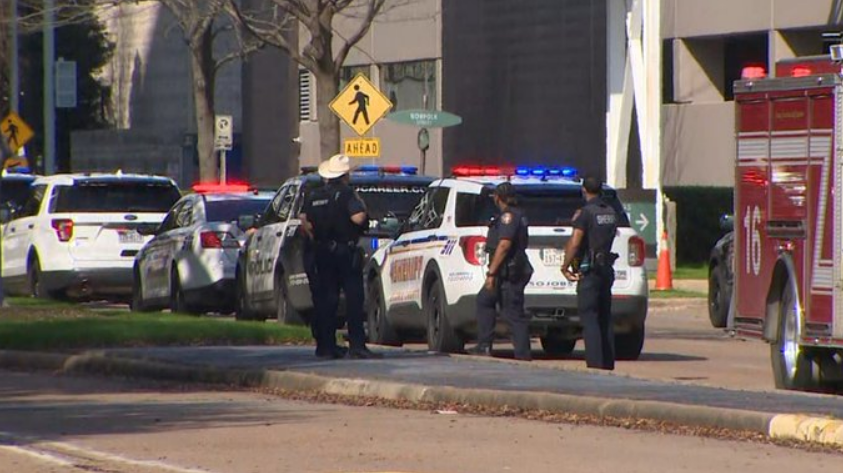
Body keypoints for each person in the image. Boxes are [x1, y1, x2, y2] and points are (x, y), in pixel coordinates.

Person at [299, 154, 382, 360]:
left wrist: (317, 237)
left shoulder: (314, 195)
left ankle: (326, 346)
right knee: (354, 298)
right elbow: (358, 217)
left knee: (328, 300)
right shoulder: (347, 194)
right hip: (345, 252)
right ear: (345, 175)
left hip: (322, 252)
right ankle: (356, 345)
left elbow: (304, 222)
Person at [467, 182, 534, 361]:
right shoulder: (515, 214)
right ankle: (484, 345)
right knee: (484, 300)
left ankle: (523, 356)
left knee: (513, 313)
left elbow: (504, 245)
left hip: (508, 272)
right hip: (506, 271)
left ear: (498, 198)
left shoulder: (508, 217)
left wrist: (491, 274)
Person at [560, 176, 619, 370]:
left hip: (590, 271)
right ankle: (608, 363)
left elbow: (576, 242)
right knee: (604, 317)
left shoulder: (585, 213)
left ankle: (595, 365)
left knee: (590, 318)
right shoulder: (610, 211)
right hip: (606, 270)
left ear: (584, 190)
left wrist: (565, 266)